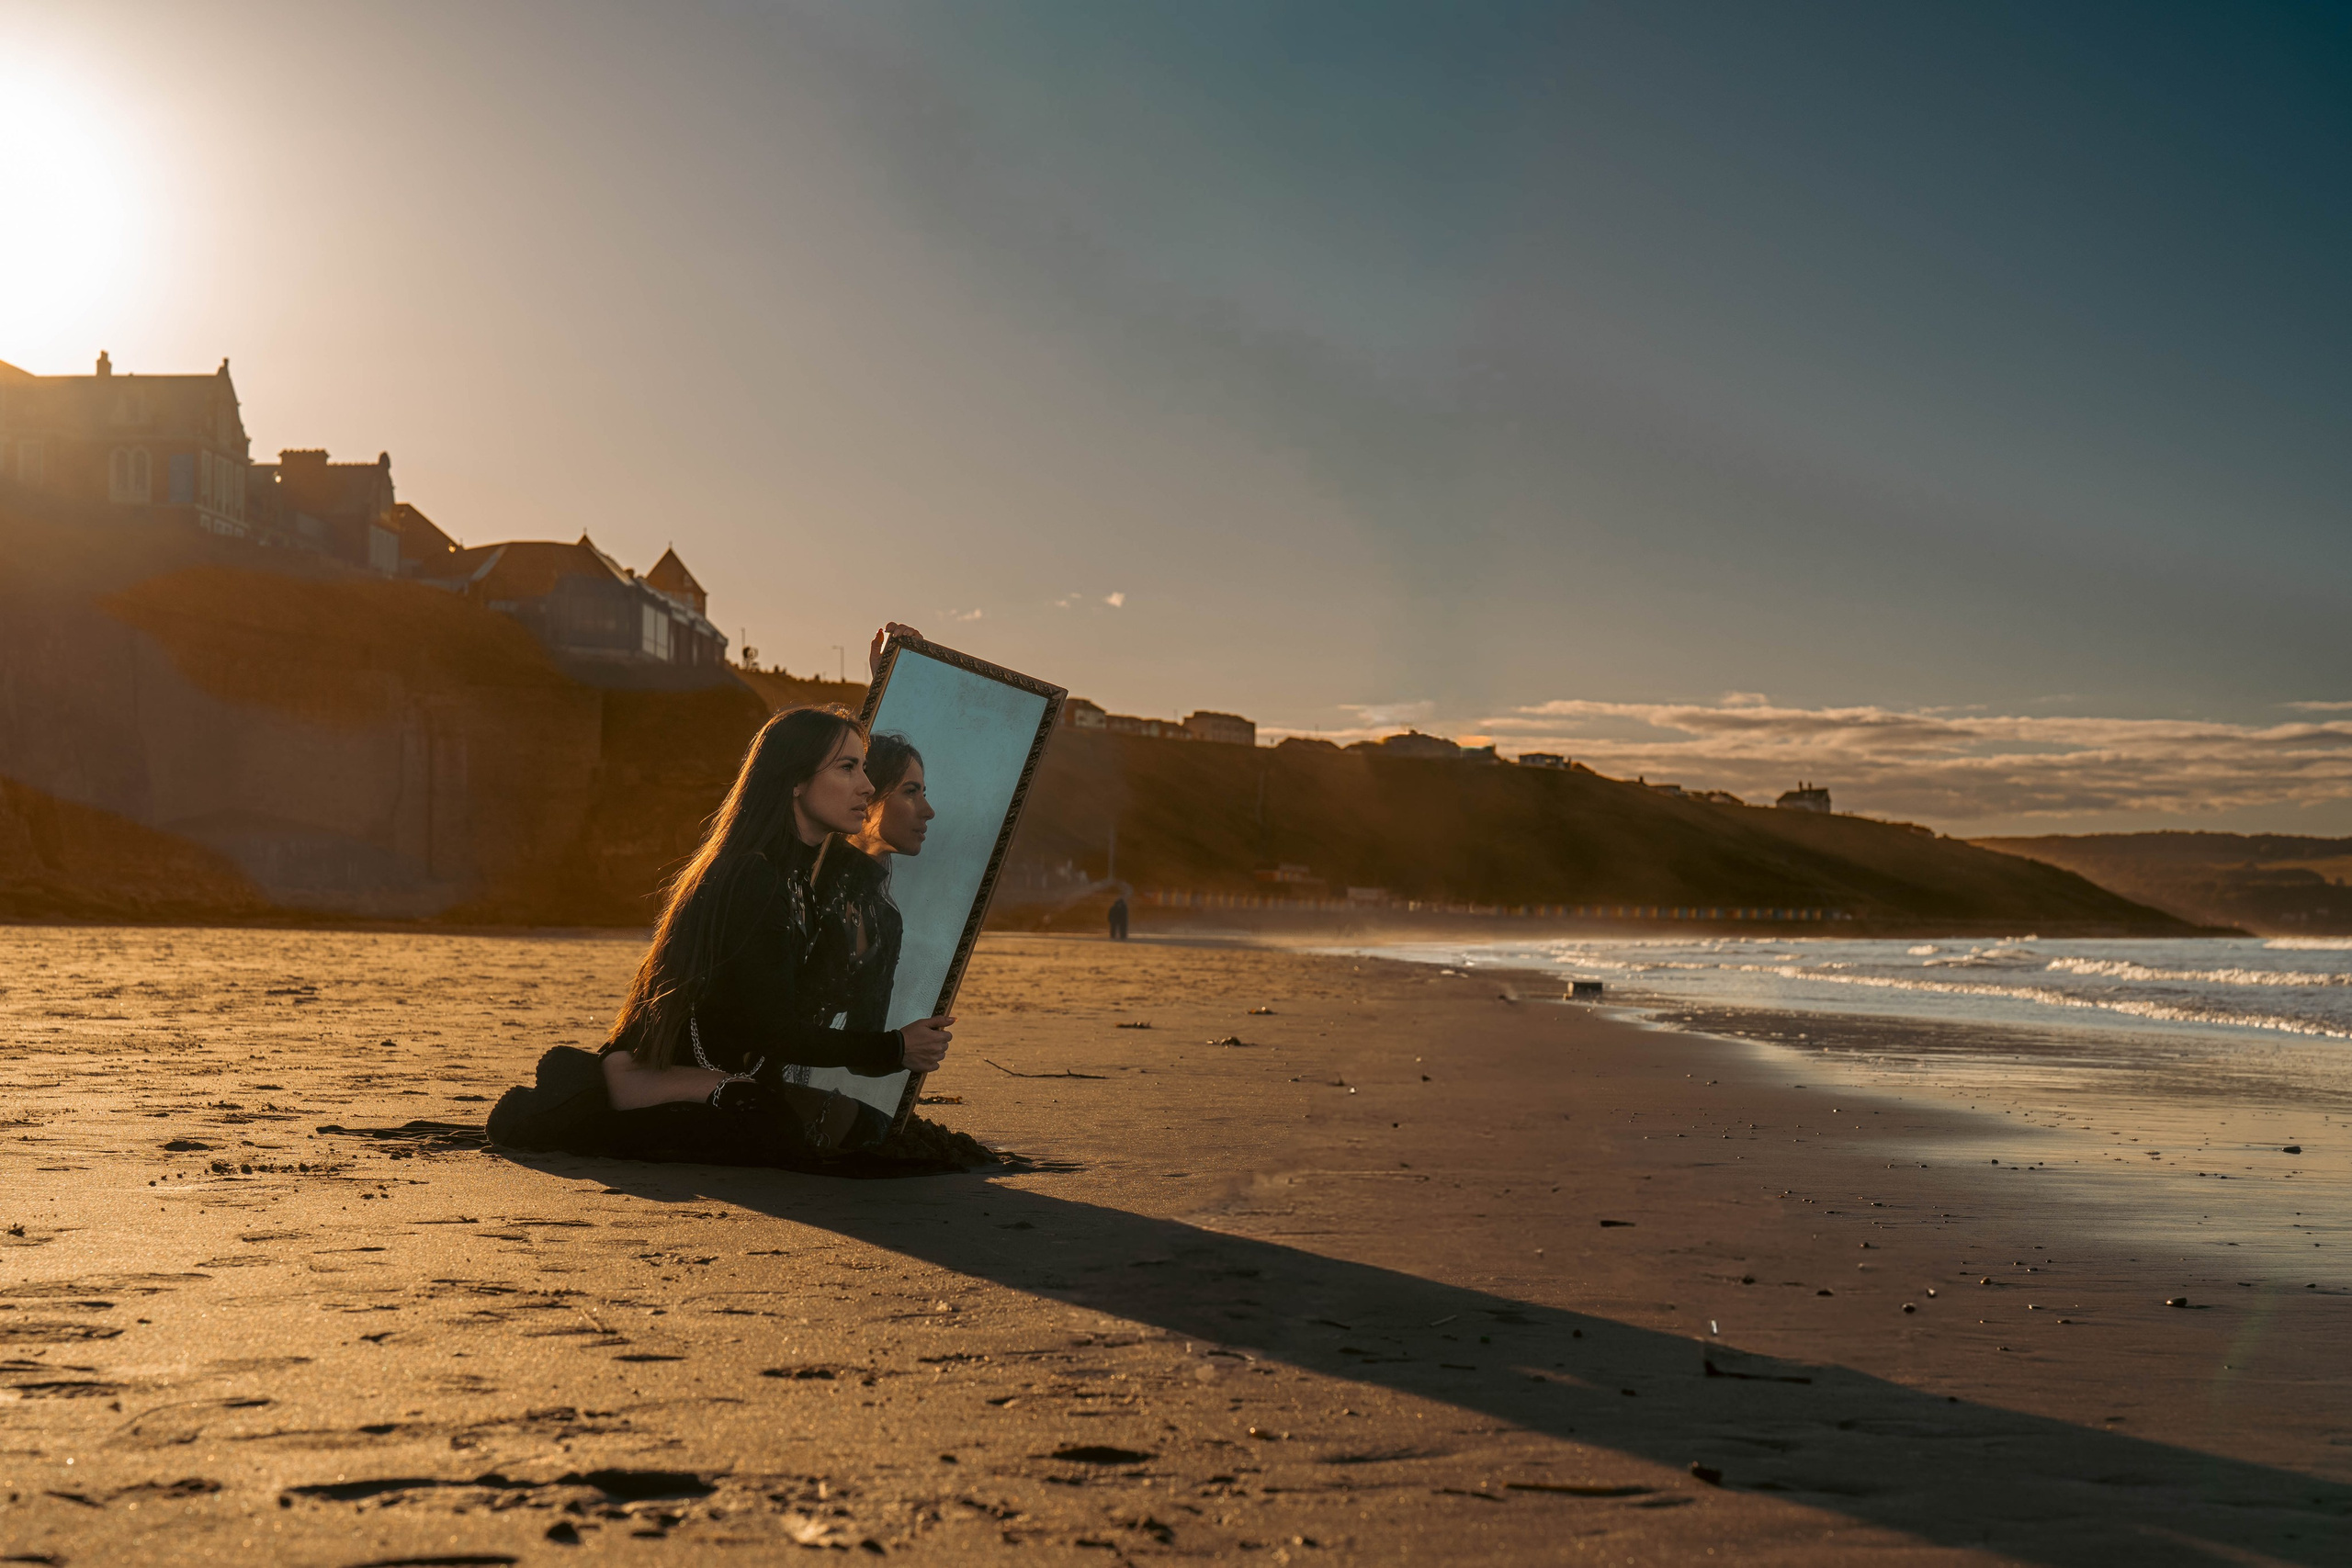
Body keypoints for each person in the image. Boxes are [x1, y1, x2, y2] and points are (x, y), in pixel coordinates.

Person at [487, 702, 958, 1166]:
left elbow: (854, 872)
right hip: (678, 1067)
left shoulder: (800, 883)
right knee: (778, 1133)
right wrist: (896, 1046)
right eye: (848, 768)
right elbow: (773, 1030)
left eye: (865, 769)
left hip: (741, 1073)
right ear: (794, 780)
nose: (868, 786)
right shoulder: (752, 876)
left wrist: (899, 1045)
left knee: (871, 1133)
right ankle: (626, 1083)